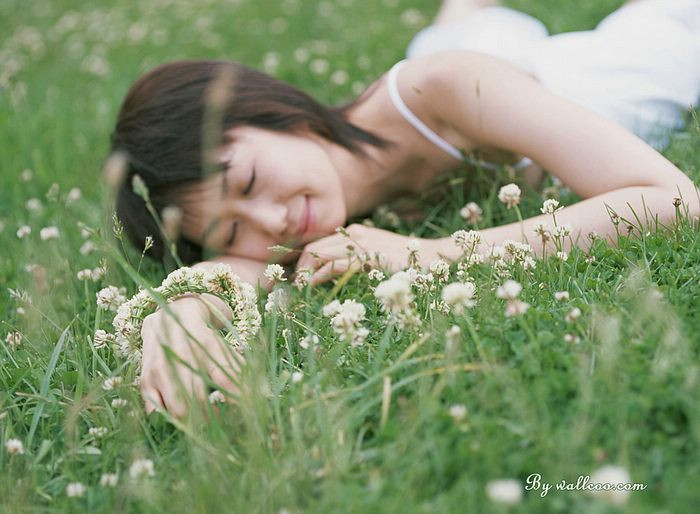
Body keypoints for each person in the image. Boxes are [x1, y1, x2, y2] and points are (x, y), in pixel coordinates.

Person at [109, 0, 700, 417]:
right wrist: (181, 310)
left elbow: (672, 201)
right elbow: (233, 271)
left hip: (588, 73)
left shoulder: (448, 86)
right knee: (463, 31)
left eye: (251, 180)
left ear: (277, 113)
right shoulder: (292, 222)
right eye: (233, 228)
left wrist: (436, 253)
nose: (272, 222)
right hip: (466, 58)